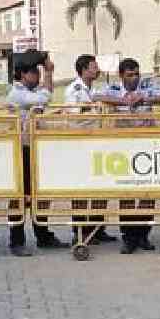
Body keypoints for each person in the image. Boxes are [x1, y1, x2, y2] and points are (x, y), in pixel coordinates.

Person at [97, 58, 160, 255]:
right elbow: (95, 96)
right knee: (126, 192)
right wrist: (123, 100)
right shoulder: (113, 88)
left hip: (147, 147)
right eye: (129, 75)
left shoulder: (148, 86)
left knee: (147, 192)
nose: (134, 79)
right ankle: (128, 237)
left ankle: (143, 235)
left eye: (136, 74)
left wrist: (146, 99)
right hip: (123, 148)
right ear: (121, 75)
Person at [5, 50, 69, 256]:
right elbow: (45, 98)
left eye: (38, 71)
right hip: (21, 150)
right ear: (22, 75)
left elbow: (44, 97)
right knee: (19, 197)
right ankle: (16, 241)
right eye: (33, 71)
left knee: (40, 195)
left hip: (36, 148)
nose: (38, 75)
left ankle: (43, 236)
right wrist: (50, 74)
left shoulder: (33, 91)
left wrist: (47, 72)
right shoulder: (16, 93)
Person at [64, 54, 116, 245]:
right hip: (80, 143)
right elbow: (74, 114)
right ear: (84, 69)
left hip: (98, 143)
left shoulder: (95, 88)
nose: (97, 69)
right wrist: (93, 106)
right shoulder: (74, 90)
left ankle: (97, 227)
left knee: (99, 187)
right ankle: (80, 231)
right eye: (93, 67)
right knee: (81, 189)